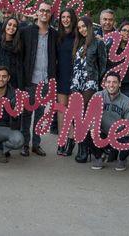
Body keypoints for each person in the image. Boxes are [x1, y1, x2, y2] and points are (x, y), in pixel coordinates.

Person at [19, 1, 58, 157]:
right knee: (26, 114)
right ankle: (24, 145)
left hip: (45, 81)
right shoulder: (26, 32)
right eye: (42, 10)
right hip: (29, 80)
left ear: (50, 14)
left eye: (47, 11)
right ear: (37, 12)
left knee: (40, 114)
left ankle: (36, 144)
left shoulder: (54, 34)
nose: (44, 13)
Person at [70, 16, 108, 163]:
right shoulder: (78, 42)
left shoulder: (98, 43)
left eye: (84, 26)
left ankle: (85, 150)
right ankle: (82, 147)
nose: (82, 29)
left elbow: (103, 64)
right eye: (79, 28)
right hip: (76, 81)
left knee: (84, 115)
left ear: (90, 26)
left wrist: (96, 80)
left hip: (90, 81)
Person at [90, 72, 129, 171]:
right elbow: (89, 117)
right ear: (105, 84)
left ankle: (122, 159)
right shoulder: (97, 96)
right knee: (85, 133)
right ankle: (99, 157)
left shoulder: (127, 102)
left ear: (120, 84)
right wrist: (92, 127)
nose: (111, 85)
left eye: (114, 82)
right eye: (109, 82)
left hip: (118, 136)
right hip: (101, 133)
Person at [55, 8, 77, 156]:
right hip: (61, 74)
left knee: (73, 111)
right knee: (61, 109)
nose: (65, 19)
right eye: (63, 17)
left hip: (75, 76)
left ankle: (71, 140)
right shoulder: (58, 36)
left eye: (68, 17)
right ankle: (62, 141)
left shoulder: (78, 36)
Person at [106, 21, 129, 99]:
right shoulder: (111, 46)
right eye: (124, 30)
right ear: (119, 31)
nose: (126, 33)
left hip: (128, 86)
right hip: (111, 84)